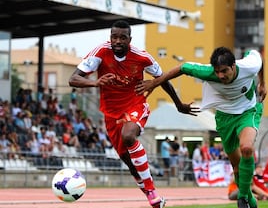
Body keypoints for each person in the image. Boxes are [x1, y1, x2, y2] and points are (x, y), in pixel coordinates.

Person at [68, 20, 198, 208]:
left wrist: (178, 104)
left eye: (122, 37)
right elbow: (74, 79)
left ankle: (152, 190)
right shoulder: (100, 53)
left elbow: (163, 79)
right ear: (110, 38)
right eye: (114, 37)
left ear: (130, 39)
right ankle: (149, 193)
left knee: (128, 136)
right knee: (128, 161)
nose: (118, 41)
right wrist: (95, 83)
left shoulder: (142, 57)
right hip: (111, 112)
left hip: (135, 104)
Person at [136, 46, 266, 208]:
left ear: (233, 66)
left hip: (248, 112)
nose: (220, 76)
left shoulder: (249, 66)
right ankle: (249, 199)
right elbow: (181, 68)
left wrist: (262, 84)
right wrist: (155, 83)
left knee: (246, 148)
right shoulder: (207, 72)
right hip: (224, 118)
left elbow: (257, 56)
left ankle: (243, 198)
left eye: (224, 71)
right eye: (217, 71)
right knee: (236, 166)